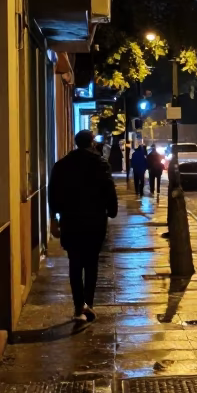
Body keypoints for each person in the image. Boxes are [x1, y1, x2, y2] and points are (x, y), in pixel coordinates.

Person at [48, 129, 118, 324]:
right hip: (95, 222)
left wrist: (54, 218)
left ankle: (79, 305)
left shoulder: (62, 165)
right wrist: (111, 210)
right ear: (91, 142)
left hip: (71, 221)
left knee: (75, 263)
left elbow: (53, 192)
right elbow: (109, 190)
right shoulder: (100, 164)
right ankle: (88, 303)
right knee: (91, 263)